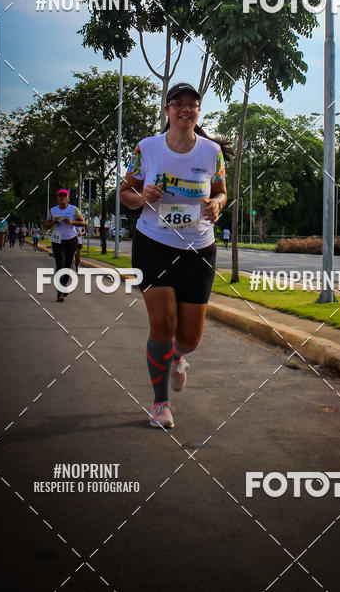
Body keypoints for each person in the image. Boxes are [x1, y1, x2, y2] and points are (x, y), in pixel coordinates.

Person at [120, 82, 231, 429]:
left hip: (198, 249)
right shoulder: (147, 149)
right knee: (162, 324)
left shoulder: (212, 152)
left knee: (189, 338)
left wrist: (216, 205)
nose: (186, 109)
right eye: (178, 104)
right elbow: (125, 191)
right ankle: (160, 404)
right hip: (153, 243)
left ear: (198, 112)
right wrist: (142, 198)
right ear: (167, 110)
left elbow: (221, 193)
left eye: (192, 104)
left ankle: (179, 357)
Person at [45, 190, 86, 302]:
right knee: (60, 264)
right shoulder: (53, 210)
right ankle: (60, 293)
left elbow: (83, 223)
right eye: (60, 196)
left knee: (68, 265)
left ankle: (64, 285)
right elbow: (46, 225)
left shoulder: (74, 209)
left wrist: (71, 222)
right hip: (58, 241)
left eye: (64, 196)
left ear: (68, 198)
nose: (62, 198)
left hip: (72, 240)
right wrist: (53, 222)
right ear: (57, 198)